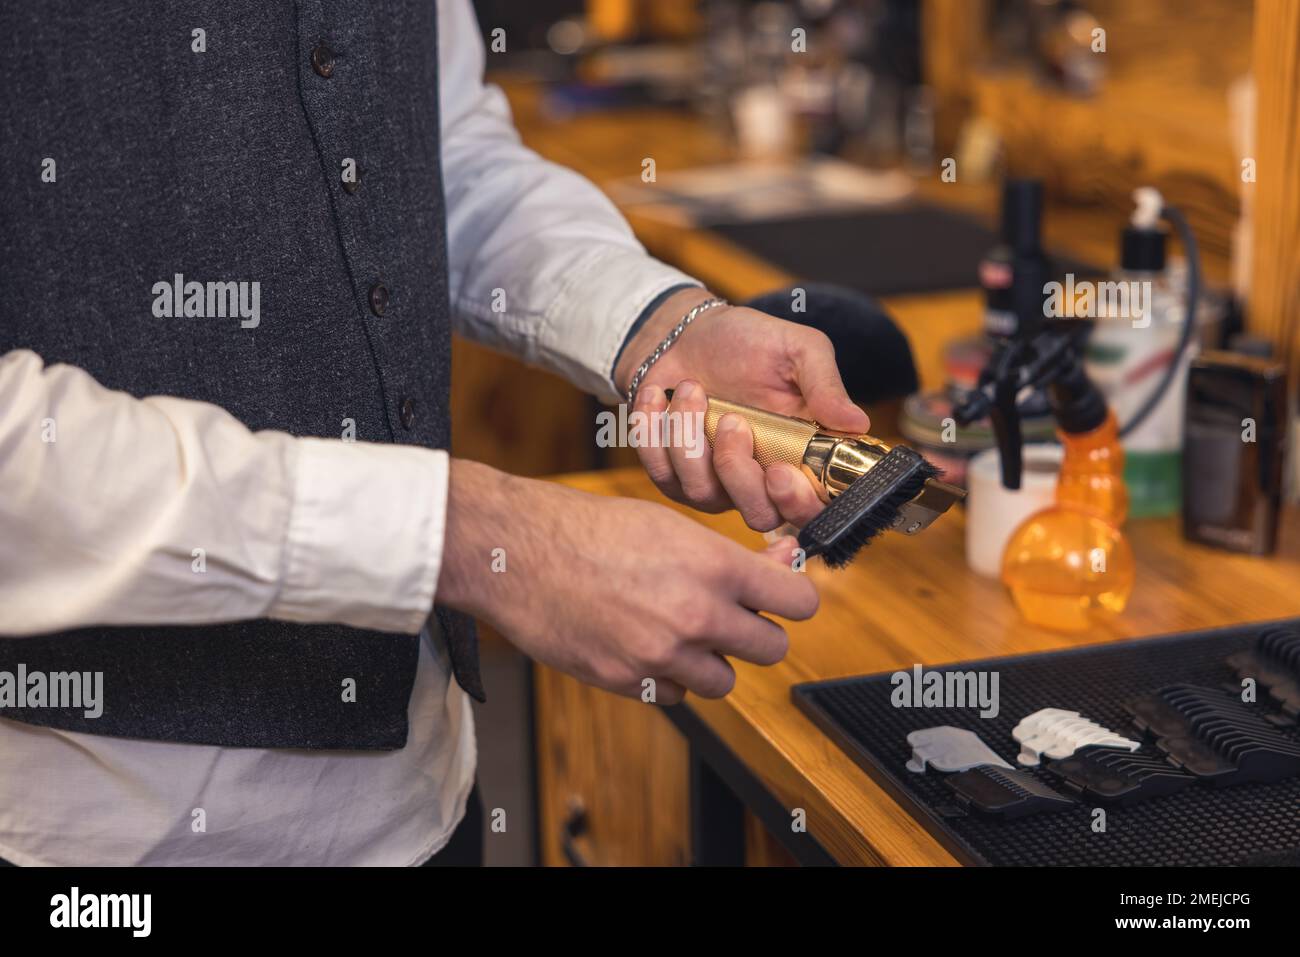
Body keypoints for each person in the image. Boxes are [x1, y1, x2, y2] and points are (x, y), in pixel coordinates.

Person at [0, 0, 867, 866]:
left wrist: (660, 328)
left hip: (419, 799)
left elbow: (441, 156)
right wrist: (476, 533)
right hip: (104, 842)